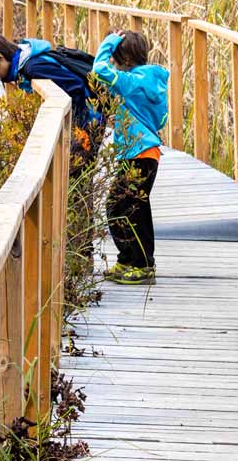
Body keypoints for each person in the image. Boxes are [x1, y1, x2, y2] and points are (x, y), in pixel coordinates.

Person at [91, 29, 168, 285]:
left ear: (122, 58)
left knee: (127, 208)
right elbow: (162, 118)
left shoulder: (131, 82)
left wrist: (108, 42)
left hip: (138, 153)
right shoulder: (153, 82)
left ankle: (142, 264)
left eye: (115, 57)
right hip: (145, 153)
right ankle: (128, 260)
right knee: (125, 206)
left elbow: (98, 69)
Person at [0, 30, 103, 167]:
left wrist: (79, 127)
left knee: (77, 170)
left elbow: (75, 87)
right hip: (87, 118)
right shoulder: (26, 62)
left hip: (90, 118)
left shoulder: (33, 68)